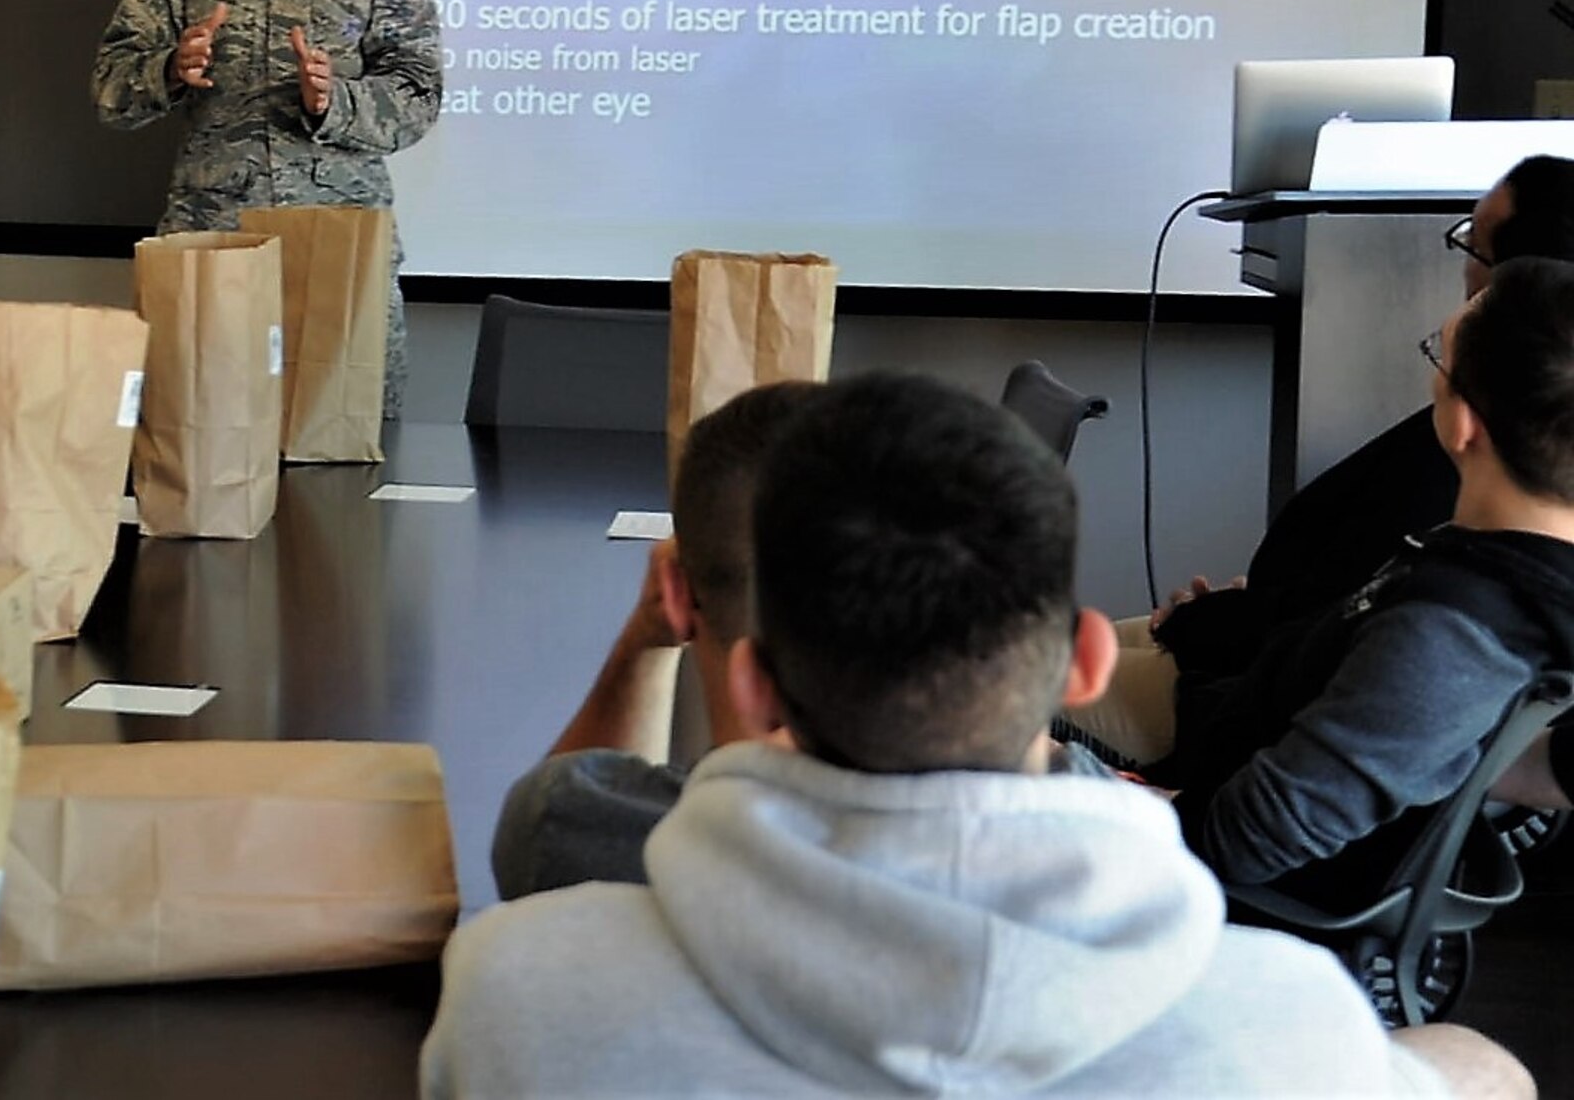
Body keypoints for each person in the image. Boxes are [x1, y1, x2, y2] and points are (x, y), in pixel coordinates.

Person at [423, 372, 1514, 1096]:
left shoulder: (512, 1001)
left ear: (753, 684)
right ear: (1085, 660)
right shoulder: (1291, 1037)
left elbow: (550, 814)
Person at [1081, 154, 1574, 767]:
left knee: (980, 683)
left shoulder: (1444, 609)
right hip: (1252, 670)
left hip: (1232, 716)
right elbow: (1339, 602)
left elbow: (1261, 813)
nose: (1463, 262)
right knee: (1028, 650)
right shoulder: (1461, 573)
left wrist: (1212, 626)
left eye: (1473, 242)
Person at [1156, 257, 1574, 909]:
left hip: (1214, 894)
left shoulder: (1453, 631)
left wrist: (1125, 815)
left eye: (1439, 357)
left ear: (1465, 423)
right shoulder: (1495, 579)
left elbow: (1250, 839)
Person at [91, 0, 443, 417]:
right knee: (200, 442)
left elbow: (419, 94)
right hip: (213, 246)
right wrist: (169, 69)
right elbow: (110, 89)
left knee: (348, 457)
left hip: (337, 249)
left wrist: (333, 101)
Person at [491, 381, 820, 898]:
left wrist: (644, 641)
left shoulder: (574, 831)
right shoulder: (976, 842)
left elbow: (571, 804)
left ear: (675, 591)